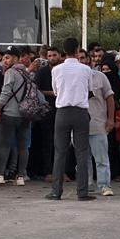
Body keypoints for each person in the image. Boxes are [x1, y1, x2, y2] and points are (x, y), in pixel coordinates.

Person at [46, 38, 94, 201]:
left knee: (60, 152)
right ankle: (82, 192)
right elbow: (89, 89)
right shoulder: (86, 70)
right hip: (80, 112)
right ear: (77, 49)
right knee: (82, 152)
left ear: (63, 51)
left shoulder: (56, 70)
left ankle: (56, 191)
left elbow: (55, 91)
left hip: (62, 112)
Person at [0, 46, 31, 186]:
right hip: (25, 114)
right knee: (23, 146)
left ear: (15, 58)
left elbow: (6, 91)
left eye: (7, 58)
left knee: (4, 145)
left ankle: (0, 175)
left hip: (10, 113)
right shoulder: (27, 72)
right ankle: (21, 176)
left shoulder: (11, 72)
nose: (4, 61)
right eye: (3, 59)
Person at [86, 58, 115, 196]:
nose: (81, 61)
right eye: (78, 58)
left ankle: (104, 185)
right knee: (82, 159)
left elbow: (110, 98)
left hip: (98, 123)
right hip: (79, 125)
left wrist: (110, 119)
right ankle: (85, 185)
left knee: (101, 158)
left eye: (84, 58)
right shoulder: (72, 78)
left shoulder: (100, 77)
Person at [32, 46, 61, 181]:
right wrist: (51, 93)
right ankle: (48, 171)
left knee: (62, 142)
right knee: (47, 142)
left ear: (59, 55)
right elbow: (35, 89)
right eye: (49, 56)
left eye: (54, 55)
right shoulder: (42, 72)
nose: (51, 58)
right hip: (46, 111)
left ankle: (62, 171)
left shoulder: (62, 71)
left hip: (61, 110)